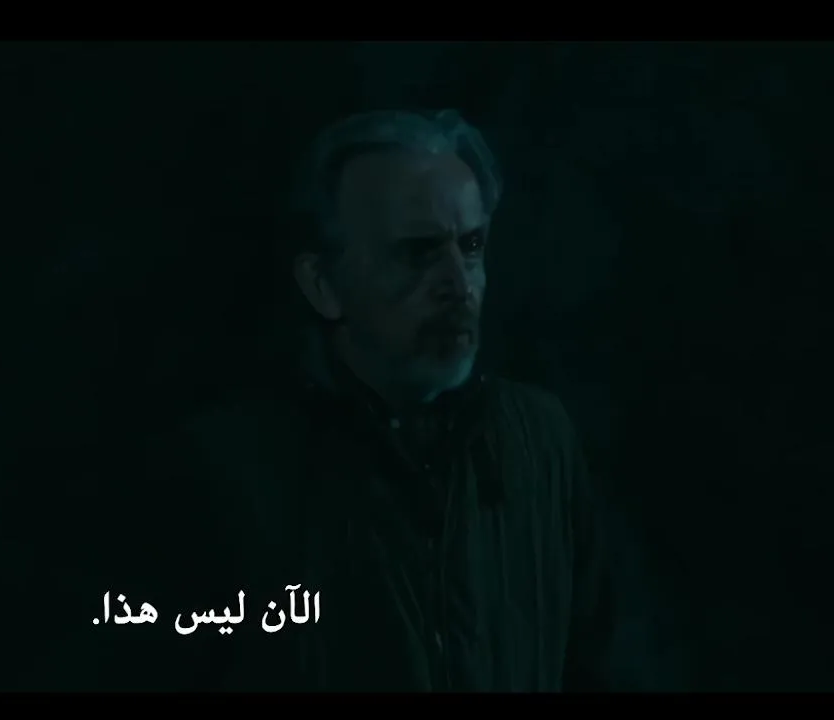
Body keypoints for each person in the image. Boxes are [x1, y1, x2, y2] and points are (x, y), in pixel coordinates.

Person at [62, 110, 651, 692]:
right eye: (418, 252)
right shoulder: (229, 472)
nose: (459, 284)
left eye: (471, 245)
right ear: (323, 284)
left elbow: (599, 661)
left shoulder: (537, 441)